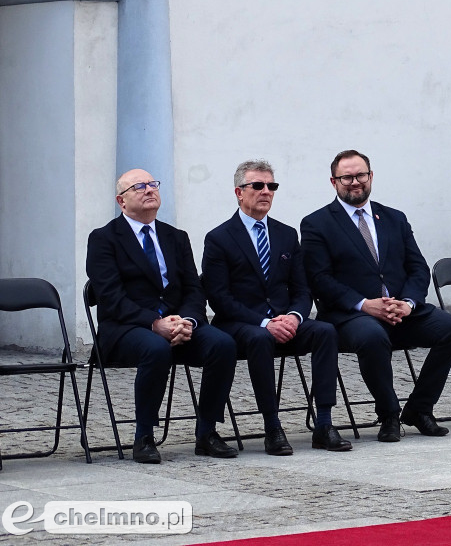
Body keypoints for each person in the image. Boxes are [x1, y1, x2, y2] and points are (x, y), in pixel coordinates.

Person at [300, 150, 451, 442]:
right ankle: (389, 414)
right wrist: (365, 304)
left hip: (401, 310)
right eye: (346, 177)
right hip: (350, 315)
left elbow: (418, 267)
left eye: (360, 175)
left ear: (371, 176)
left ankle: (419, 409)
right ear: (333, 181)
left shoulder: (394, 218)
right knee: (372, 336)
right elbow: (319, 279)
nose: (355, 182)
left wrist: (408, 303)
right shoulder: (317, 223)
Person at [85, 169, 238, 464]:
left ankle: (207, 432)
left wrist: (188, 321)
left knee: (222, 344)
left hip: (177, 323)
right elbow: (111, 297)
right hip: (125, 328)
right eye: (139, 186)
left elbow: (194, 288)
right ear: (121, 201)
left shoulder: (175, 237)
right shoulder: (104, 238)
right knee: (155, 348)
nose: (149, 190)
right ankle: (144, 436)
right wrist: (154, 324)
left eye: (152, 184)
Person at [202, 160, 352, 455]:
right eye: (257, 185)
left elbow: (302, 288)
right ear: (239, 192)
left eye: (271, 186)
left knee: (325, 331)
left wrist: (294, 316)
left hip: (284, 320)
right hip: (241, 323)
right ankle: (272, 427)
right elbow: (219, 297)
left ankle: (324, 424)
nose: (266, 191)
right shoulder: (219, 238)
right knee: (260, 338)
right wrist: (264, 323)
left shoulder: (286, 234)